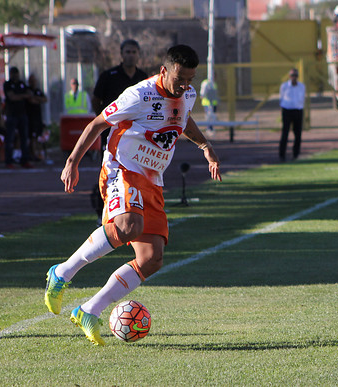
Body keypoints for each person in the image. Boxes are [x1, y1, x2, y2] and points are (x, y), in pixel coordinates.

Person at [44, 44, 222, 346]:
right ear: (164, 71)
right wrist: (72, 162)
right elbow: (98, 123)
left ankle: (89, 310)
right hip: (121, 168)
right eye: (180, 79)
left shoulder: (187, 94)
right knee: (129, 226)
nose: (184, 86)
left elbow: (183, 118)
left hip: (152, 178)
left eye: (190, 80)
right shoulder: (140, 95)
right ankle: (61, 274)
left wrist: (206, 148)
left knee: (151, 258)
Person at [93, 39, 148, 150]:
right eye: (128, 52)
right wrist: (104, 119)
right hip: (112, 128)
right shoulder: (108, 76)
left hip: (136, 129)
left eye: (134, 52)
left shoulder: (143, 78)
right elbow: (96, 99)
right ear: (122, 54)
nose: (131, 55)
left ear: (138, 54)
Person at [3, 66, 33, 168]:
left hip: (22, 115)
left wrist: (21, 95)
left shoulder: (21, 84)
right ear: (10, 74)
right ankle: (8, 161)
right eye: (13, 73)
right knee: (10, 139)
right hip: (11, 115)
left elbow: (29, 94)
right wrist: (23, 96)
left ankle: (24, 160)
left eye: (17, 73)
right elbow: (12, 97)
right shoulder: (7, 84)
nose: (15, 75)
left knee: (24, 138)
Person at [279, 68, 305, 161]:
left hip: (298, 110)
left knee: (298, 133)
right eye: (292, 75)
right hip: (287, 110)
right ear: (289, 76)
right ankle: (282, 155)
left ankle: (296, 154)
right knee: (285, 133)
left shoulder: (301, 86)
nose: (294, 77)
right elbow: (281, 98)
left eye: (295, 75)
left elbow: (302, 98)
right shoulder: (284, 86)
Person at [26, 74, 48, 161]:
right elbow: (31, 101)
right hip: (30, 118)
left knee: (38, 136)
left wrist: (36, 98)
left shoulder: (37, 91)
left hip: (38, 118)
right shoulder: (28, 90)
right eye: (32, 81)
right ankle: (32, 154)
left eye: (35, 81)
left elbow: (45, 99)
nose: (34, 82)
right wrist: (36, 99)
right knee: (32, 137)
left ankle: (38, 154)